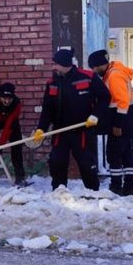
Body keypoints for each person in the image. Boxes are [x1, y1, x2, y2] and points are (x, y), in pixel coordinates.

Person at [32, 49, 110, 190]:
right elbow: (47, 110)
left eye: (56, 64)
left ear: (65, 64)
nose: (54, 67)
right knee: (56, 162)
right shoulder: (52, 83)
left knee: (86, 164)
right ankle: (59, 191)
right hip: (60, 132)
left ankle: (93, 193)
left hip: (83, 131)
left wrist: (96, 115)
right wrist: (41, 128)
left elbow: (105, 98)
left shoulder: (88, 77)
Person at [88, 49, 133, 196]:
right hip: (128, 119)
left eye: (94, 67)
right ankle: (130, 186)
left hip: (122, 121)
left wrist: (117, 125)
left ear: (100, 65)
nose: (93, 71)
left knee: (113, 153)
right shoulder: (114, 72)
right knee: (125, 154)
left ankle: (116, 186)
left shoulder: (114, 76)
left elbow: (122, 102)